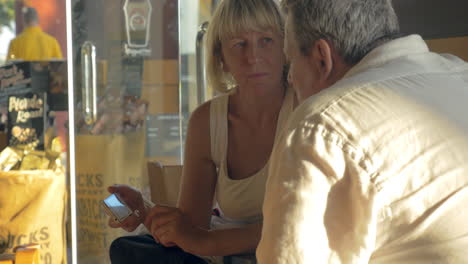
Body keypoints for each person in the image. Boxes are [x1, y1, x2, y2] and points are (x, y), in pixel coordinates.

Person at [257, 0, 468, 263]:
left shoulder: (319, 127)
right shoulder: (460, 73)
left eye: (291, 62)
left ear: (322, 58)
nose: (290, 78)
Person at [108, 0, 295, 263]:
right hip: (219, 258)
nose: (253, 56)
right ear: (221, 59)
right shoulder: (207, 121)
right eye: (239, 44)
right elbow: (190, 230)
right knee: (126, 250)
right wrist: (142, 210)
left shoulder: (307, 109)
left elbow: (300, 225)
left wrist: (208, 242)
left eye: (265, 40)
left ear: (286, 48)